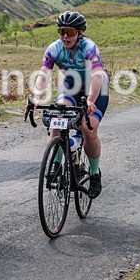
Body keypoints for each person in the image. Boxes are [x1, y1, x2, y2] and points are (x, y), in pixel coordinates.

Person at [29, 11, 109, 198]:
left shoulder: (89, 47)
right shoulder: (54, 49)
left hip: (96, 89)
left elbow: (97, 76)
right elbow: (43, 74)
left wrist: (90, 100)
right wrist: (36, 97)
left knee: (87, 128)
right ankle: (57, 163)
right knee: (56, 119)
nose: (65, 36)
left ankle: (95, 173)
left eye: (70, 32)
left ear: (80, 33)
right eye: (62, 31)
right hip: (71, 87)